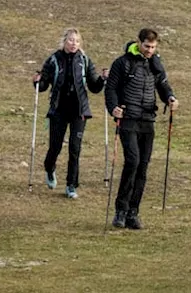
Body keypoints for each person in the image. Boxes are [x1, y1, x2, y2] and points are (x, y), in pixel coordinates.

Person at [104, 27, 177, 230]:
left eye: (153, 47)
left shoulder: (155, 63)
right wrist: (113, 108)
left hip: (148, 119)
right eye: (147, 46)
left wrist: (170, 97)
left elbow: (163, 85)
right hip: (128, 119)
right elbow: (110, 88)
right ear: (139, 42)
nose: (150, 50)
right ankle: (120, 210)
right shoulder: (122, 62)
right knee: (132, 162)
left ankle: (133, 213)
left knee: (143, 168)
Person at [32, 28, 107, 199]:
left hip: (79, 110)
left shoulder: (85, 60)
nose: (74, 44)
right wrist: (37, 81)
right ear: (64, 41)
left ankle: (71, 185)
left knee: (75, 148)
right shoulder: (54, 60)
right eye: (71, 40)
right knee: (55, 146)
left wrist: (102, 79)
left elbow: (94, 87)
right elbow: (43, 85)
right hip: (58, 109)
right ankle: (49, 168)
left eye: (77, 41)